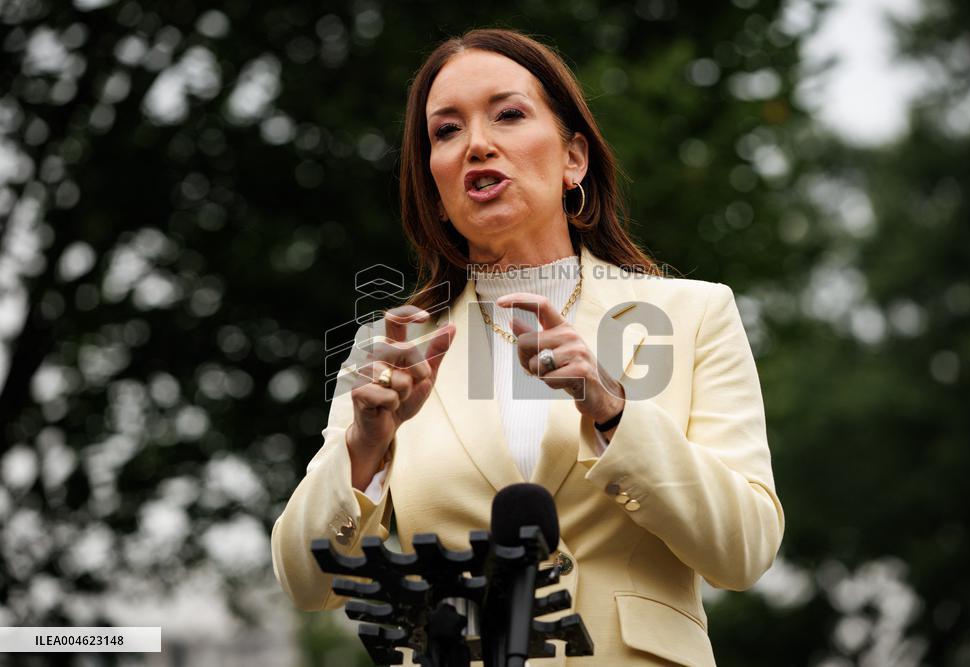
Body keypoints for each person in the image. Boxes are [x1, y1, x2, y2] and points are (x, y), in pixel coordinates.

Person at [271, 28, 784, 667]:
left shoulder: (690, 315)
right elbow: (306, 582)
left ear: (574, 158)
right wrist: (364, 447)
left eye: (508, 115)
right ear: (433, 178)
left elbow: (745, 551)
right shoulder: (394, 348)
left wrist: (614, 413)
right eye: (446, 131)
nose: (477, 145)